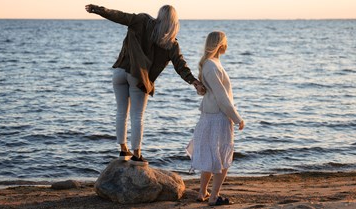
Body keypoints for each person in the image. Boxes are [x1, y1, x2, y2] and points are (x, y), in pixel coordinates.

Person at [85, 4, 205, 166]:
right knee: (137, 116)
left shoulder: (141, 20)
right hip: (138, 77)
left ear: (159, 15)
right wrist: (194, 82)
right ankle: (137, 156)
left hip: (119, 71)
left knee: (121, 112)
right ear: (174, 22)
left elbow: (119, 15)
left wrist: (98, 9)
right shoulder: (171, 43)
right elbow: (180, 66)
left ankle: (123, 150)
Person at [186, 31, 245, 206]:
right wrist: (237, 118)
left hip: (210, 116)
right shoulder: (212, 66)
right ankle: (214, 197)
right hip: (218, 117)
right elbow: (222, 97)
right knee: (222, 156)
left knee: (211, 154)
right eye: (226, 42)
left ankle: (203, 192)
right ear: (221, 44)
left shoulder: (211, 64)